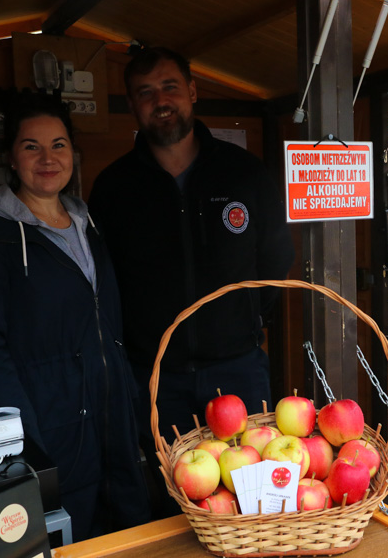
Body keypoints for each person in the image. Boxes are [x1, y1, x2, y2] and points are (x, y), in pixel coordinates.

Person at [88, 47, 294, 487]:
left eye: (169, 87)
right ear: (132, 105)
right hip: (156, 377)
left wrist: (249, 319)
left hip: (238, 368)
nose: (160, 100)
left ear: (193, 92)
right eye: (145, 92)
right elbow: (103, 282)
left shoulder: (244, 173)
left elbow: (276, 258)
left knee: (252, 491)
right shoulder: (113, 187)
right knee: (170, 495)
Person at [0, 93, 150, 541]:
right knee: (63, 531)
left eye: (58, 145)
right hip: (46, 416)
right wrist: (22, 438)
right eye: (32, 146)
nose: (48, 158)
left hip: (109, 411)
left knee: (126, 530)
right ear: (11, 156)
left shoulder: (87, 222)